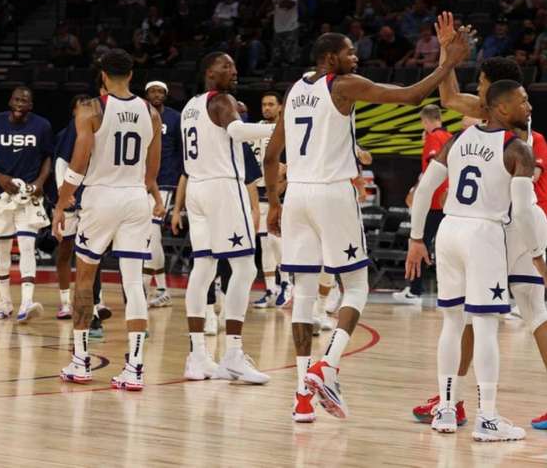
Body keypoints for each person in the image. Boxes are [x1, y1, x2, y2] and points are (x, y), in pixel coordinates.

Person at [263, 30, 469, 422]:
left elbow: (273, 155)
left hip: (297, 197)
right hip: (332, 194)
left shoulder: (294, 91)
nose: (356, 58)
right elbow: (409, 96)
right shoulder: (343, 85)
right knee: (356, 286)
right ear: (329, 59)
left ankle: (302, 396)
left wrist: (274, 202)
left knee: (303, 294)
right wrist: (448, 63)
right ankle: (328, 366)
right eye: (349, 53)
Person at [410, 11, 547, 433]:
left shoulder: (503, 118)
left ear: (493, 93)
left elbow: (449, 100)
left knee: (475, 316)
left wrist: (449, 60)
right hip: (509, 217)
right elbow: (452, 97)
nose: (477, 92)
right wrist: (447, 58)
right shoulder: (510, 113)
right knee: (523, 310)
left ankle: (459, 400)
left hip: (509, 221)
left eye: (481, 85)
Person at [405, 79, 537, 441]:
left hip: (448, 231)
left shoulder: (457, 140)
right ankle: (488, 418)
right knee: (484, 326)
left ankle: (447, 410)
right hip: (483, 234)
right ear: (503, 108)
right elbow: (524, 213)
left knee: (451, 323)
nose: (528, 107)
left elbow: (423, 191)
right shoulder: (518, 149)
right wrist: (537, 254)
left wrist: (417, 237)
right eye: (522, 101)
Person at [54, 49, 164, 389]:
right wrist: (155, 196)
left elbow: (78, 162)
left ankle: (81, 361)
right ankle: (135, 368)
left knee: (85, 279)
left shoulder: (91, 109)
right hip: (135, 198)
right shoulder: (152, 113)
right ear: (132, 75)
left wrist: (60, 205)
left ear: (102, 75)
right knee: (133, 284)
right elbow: (152, 172)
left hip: (101, 196)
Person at [178, 52, 273, 384]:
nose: (233, 71)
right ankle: (232, 354)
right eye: (225, 66)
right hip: (222, 188)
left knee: (203, 268)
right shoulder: (221, 100)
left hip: (196, 189)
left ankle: (197, 357)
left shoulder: (190, 106)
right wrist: (279, 128)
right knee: (245, 267)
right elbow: (236, 131)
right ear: (209, 72)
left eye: (234, 66)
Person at [0, 86, 52, 322]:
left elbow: (48, 156)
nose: (20, 104)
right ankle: (4, 302)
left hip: (28, 195)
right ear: (10, 101)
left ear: (31, 105)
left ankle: (27, 302)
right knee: (3, 247)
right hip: (0, 193)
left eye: (25, 101)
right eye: (17, 99)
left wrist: (40, 182)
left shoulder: (42, 126)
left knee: (28, 246)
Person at [53, 93, 111, 336]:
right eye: (79, 108)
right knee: (67, 250)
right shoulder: (72, 129)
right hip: (74, 196)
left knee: (93, 257)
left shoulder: (107, 123)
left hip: (99, 197)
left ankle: (96, 307)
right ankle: (66, 300)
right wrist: (62, 193)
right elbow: (62, 162)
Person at [393, 104, 452, 304]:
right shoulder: (451, 137)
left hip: (433, 202)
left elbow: (431, 173)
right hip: (449, 203)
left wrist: (415, 191)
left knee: (419, 244)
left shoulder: (434, 138)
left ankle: (415, 291)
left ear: (424, 121)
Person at [251, 92, 292, 309]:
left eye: (270, 104)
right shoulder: (256, 128)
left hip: (281, 191)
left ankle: (286, 283)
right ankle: (270, 288)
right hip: (259, 190)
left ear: (280, 107)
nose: (266, 108)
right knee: (265, 244)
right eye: (263, 104)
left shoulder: (288, 129)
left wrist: (287, 175)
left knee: (276, 240)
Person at [144, 81, 181, 308]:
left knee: (152, 233)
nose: (156, 94)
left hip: (165, 182)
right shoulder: (139, 114)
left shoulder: (175, 118)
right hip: (140, 183)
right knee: (147, 236)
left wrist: (178, 185)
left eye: (160, 91)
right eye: (152, 91)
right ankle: (162, 288)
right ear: (146, 94)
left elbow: (180, 151)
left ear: (166, 95)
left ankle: (153, 289)